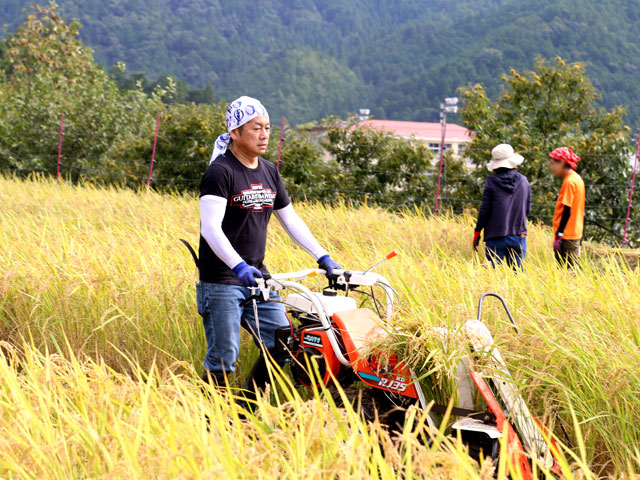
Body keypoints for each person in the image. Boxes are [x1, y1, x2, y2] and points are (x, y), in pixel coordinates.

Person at [197, 96, 340, 393]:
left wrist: (323, 257)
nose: (264, 135)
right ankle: (207, 423)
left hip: (258, 278)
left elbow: (291, 221)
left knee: (283, 342)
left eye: (267, 128)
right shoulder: (220, 172)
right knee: (224, 359)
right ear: (234, 132)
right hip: (222, 280)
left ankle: (247, 411)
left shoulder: (269, 171)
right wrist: (238, 266)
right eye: (255, 128)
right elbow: (210, 228)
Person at [473, 144, 531, 270]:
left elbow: (485, 210)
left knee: (494, 276)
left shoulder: (491, 182)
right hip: (518, 235)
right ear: (512, 162)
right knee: (518, 277)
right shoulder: (524, 181)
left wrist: (477, 231)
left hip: (495, 235)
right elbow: (527, 209)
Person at [549, 147, 585, 267]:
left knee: (567, 273)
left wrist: (559, 235)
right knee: (572, 270)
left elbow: (567, 211)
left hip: (567, 235)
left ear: (563, 162)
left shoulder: (569, 182)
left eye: (553, 164)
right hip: (575, 232)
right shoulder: (577, 179)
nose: (551, 167)